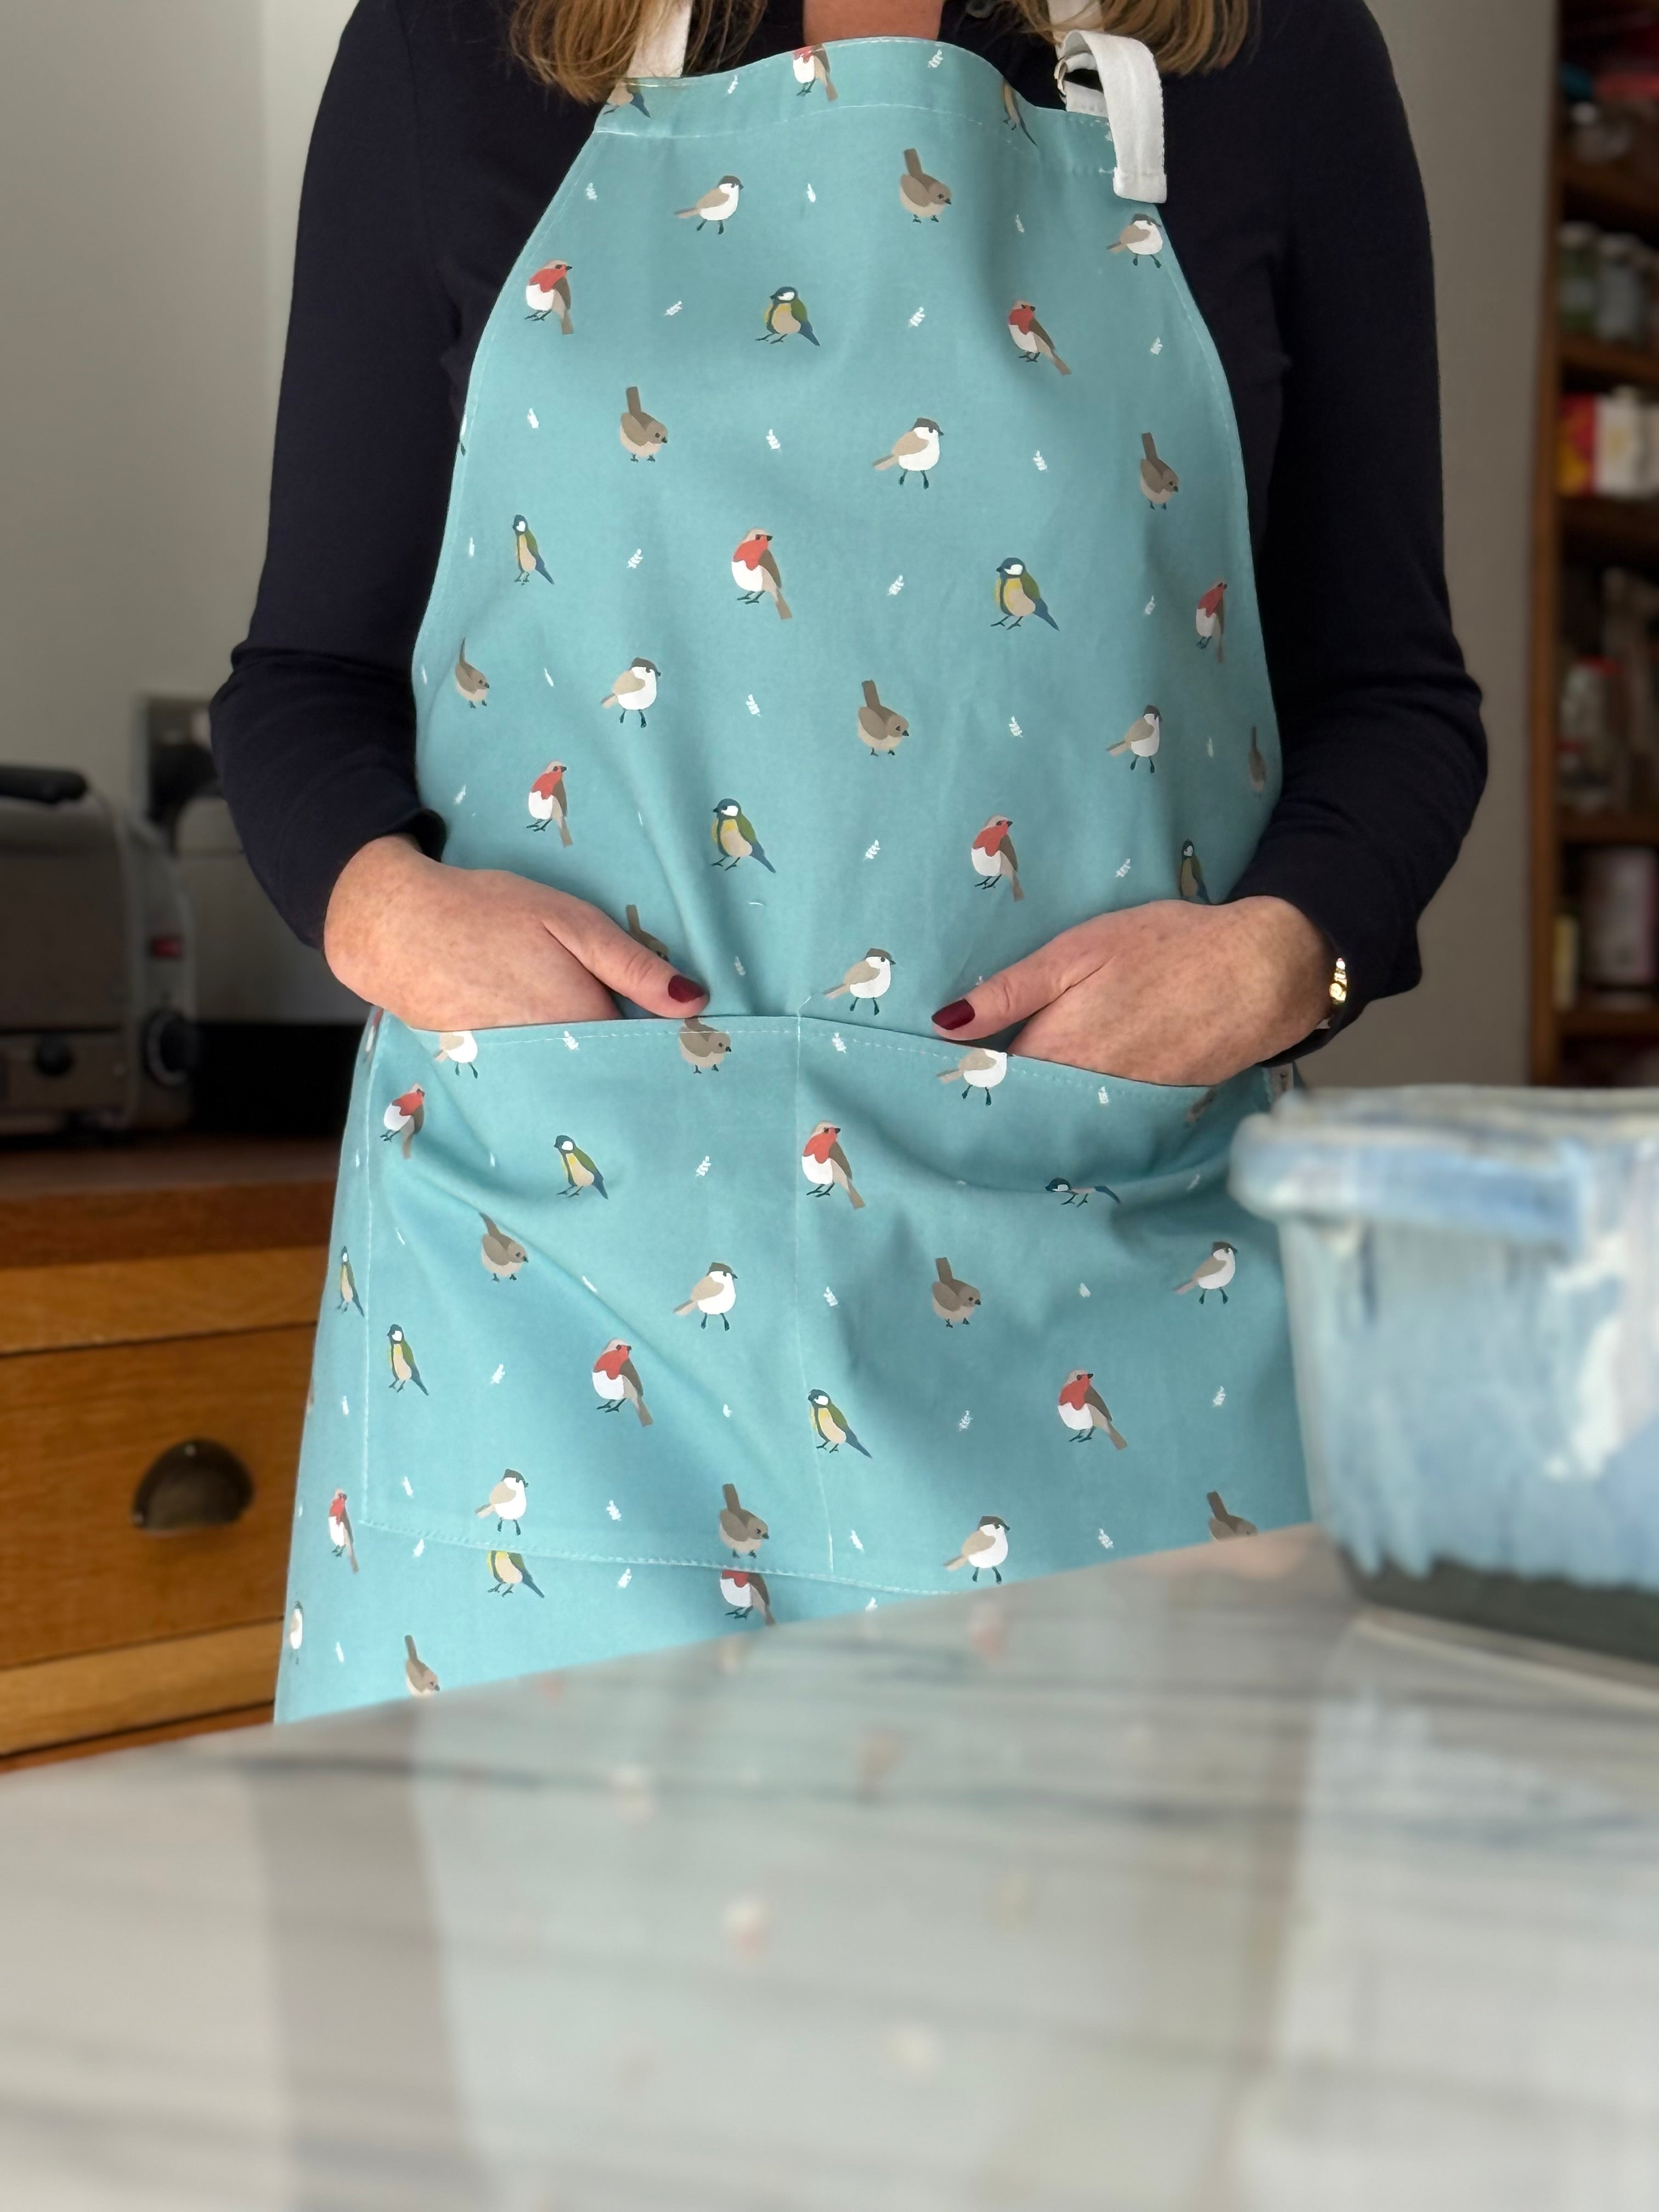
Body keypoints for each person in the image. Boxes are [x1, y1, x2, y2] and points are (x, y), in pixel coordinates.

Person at [215, 0, 1485, 1719]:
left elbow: (1396, 699)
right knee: (558, 1975)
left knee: (1121, 1977)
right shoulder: (463, 39)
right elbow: (302, 686)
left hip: (1098, 1277)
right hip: (556, 1299)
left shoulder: (1271, 52)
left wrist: (1283, 958)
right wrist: (389, 915)